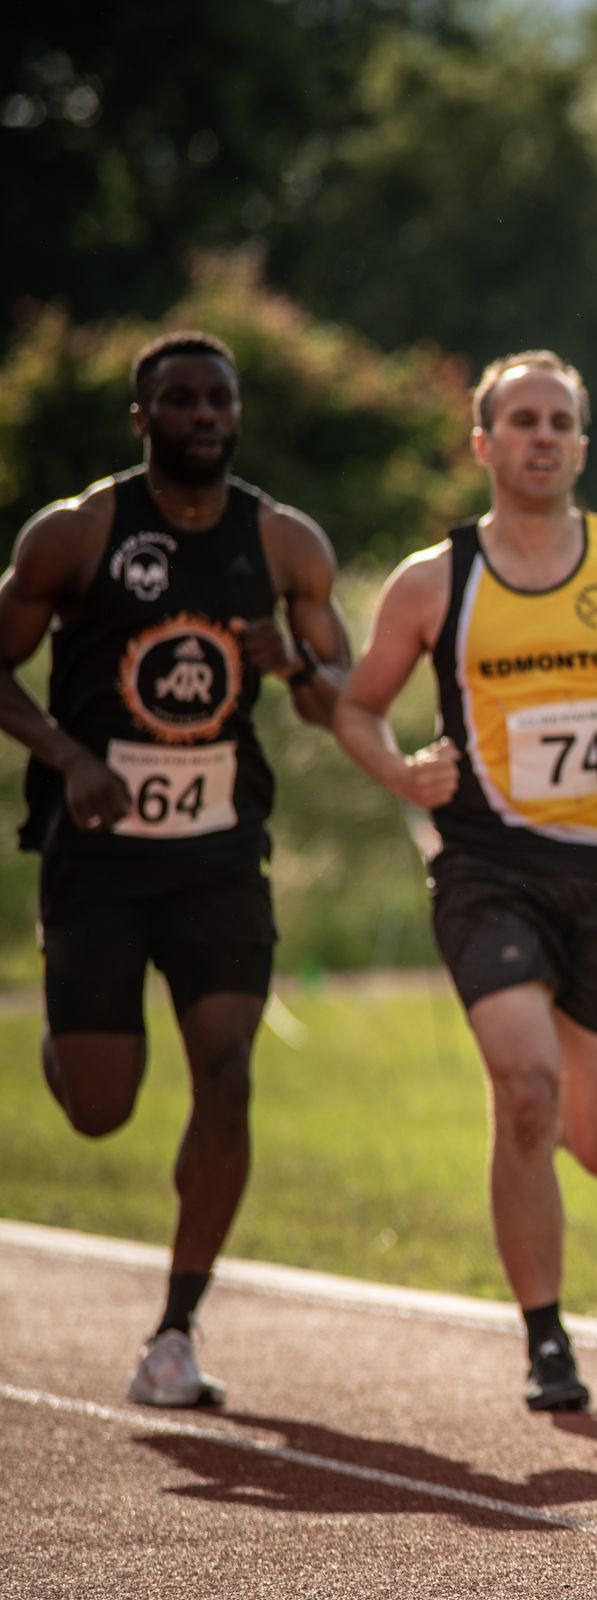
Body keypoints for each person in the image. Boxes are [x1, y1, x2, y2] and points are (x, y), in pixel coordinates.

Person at [332, 350, 597, 1411]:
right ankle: (546, 1338)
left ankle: (545, 1081)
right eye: (523, 421)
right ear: (484, 443)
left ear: (581, 446)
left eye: (561, 422)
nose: (543, 437)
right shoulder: (433, 582)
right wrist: (402, 772)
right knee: (524, 1093)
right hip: (489, 867)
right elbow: (356, 707)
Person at [0, 331, 351, 1407]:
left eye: (220, 400)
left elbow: (339, 697)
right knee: (99, 1106)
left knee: (228, 1073)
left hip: (218, 853)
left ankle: (175, 1329)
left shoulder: (283, 541)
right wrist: (68, 757)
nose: (204, 416)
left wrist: (294, 662)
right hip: (99, 855)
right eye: (182, 399)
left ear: (238, 415)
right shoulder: (79, 530)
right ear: (142, 417)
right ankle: (70, 1028)